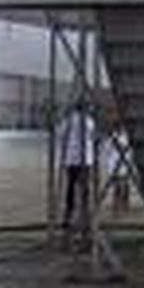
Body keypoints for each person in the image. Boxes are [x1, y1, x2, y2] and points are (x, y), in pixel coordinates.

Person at [60, 99, 96, 232]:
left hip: (71, 160)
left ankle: (68, 217)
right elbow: (94, 137)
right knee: (85, 190)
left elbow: (61, 135)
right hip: (85, 160)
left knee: (70, 189)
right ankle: (85, 218)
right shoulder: (89, 121)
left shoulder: (68, 121)